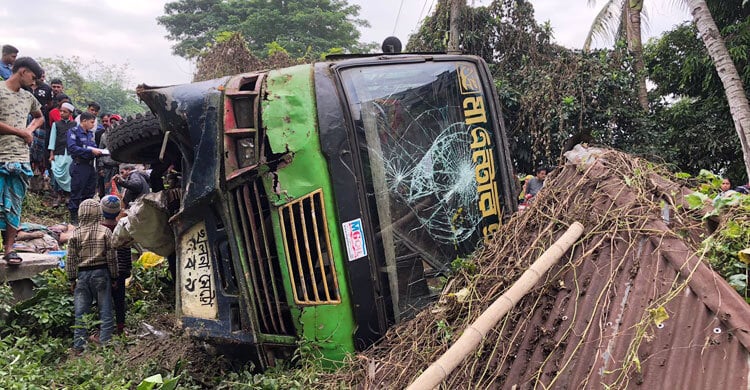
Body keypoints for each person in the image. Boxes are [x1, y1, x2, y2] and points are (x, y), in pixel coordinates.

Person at [0, 57, 44, 265]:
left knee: (14, 203)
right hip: (1, 155)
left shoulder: (28, 97)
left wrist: (30, 130)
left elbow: (40, 116)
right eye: (33, 78)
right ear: (23, 71)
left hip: (19, 157)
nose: (34, 83)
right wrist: (21, 132)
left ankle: (9, 248)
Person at [67, 198, 118, 354]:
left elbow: (70, 258)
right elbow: (111, 257)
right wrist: (114, 277)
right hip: (101, 273)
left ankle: (78, 347)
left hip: (82, 275)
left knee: (81, 312)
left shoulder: (75, 233)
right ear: (99, 213)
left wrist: (71, 278)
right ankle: (105, 343)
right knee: (105, 310)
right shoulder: (105, 232)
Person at [100, 195, 131, 335]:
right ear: (119, 211)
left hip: (105, 269)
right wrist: (128, 268)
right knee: (120, 299)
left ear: (101, 211)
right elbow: (127, 248)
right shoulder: (123, 227)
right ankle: (120, 327)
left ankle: (105, 328)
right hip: (122, 269)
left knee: (104, 300)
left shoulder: (100, 229)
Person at [67, 111, 104, 223]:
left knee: (89, 192)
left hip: (89, 165)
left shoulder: (90, 134)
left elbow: (93, 147)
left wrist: (98, 151)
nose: (93, 125)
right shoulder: (73, 132)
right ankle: (74, 217)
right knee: (76, 191)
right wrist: (89, 150)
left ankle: (85, 216)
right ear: (84, 121)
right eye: (92, 122)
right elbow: (72, 148)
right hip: (79, 165)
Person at [48, 102, 76, 206]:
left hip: (69, 154)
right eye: (61, 111)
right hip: (58, 152)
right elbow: (52, 139)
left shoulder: (74, 125)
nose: (62, 113)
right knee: (57, 173)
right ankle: (58, 196)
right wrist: (51, 154)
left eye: (65, 111)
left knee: (68, 174)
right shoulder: (56, 124)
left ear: (70, 113)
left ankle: (68, 195)